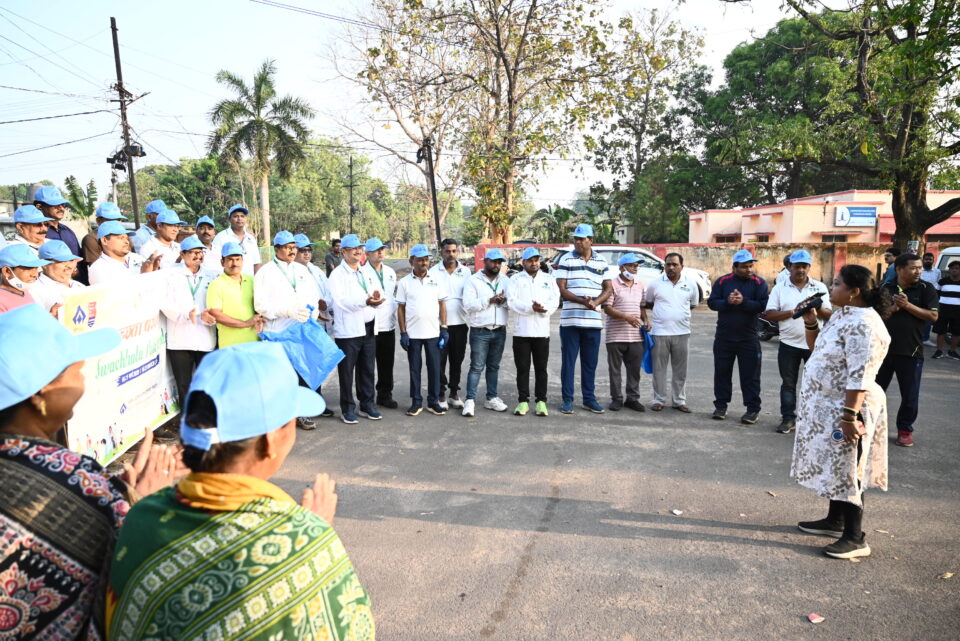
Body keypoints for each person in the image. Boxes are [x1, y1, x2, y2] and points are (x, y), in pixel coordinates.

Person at [106, 342, 375, 641]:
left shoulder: (139, 516)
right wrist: (313, 547)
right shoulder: (303, 542)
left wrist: (138, 501)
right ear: (270, 440)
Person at [0, 304, 180, 640]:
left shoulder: (86, 483)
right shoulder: (81, 482)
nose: (83, 381)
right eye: (78, 371)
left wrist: (114, 493)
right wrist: (142, 505)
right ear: (40, 392)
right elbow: (133, 574)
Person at [791, 264, 893, 559]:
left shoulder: (865, 325)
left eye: (836, 284)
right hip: (830, 408)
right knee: (836, 465)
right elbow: (818, 350)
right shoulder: (842, 315)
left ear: (854, 292)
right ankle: (834, 521)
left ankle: (855, 537)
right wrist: (811, 322)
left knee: (850, 468)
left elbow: (860, 376)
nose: (830, 288)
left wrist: (849, 417)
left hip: (850, 409)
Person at [764, 249, 832, 434]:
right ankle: (788, 419)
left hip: (815, 345)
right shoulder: (780, 288)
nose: (801, 270)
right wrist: (793, 312)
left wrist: (817, 308)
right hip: (788, 344)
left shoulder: (819, 287)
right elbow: (770, 314)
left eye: (804, 266)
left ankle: (813, 420)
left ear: (809, 267)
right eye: (797, 267)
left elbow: (829, 315)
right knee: (788, 384)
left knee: (816, 384)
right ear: (789, 267)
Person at [876, 253, 939, 447]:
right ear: (899, 269)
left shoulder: (926, 289)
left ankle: (905, 429)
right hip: (882, 351)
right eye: (913, 268)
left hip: (911, 351)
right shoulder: (886, 288)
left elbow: (933, 316)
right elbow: (875, 316)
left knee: (910, 395)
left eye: (919, 268)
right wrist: (894, 308)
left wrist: (907, 305)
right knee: (875, 391)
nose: (918, 271)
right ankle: (871, 425)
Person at [554, 223, 612, 414]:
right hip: (570, 321)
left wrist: (595, 302)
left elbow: (608, 289)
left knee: (589, 364)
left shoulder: (601, 261)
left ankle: (589, 399)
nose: (578, 242)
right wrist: (582, 301)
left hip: (593, 322)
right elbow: (562, 289)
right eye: (576, 239)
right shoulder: (566, 259)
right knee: (569, 363)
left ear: (591, 240)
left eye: (582, 239)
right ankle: (567, 399)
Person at [328, 234, 384, 424]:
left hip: (368, 327)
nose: (358, 251)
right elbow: (341, 301)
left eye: (360, 248)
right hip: (348, 331)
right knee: (347, 372)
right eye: (354, 248)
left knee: (367, 369)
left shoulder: (365, 271)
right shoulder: (337, 275)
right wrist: (365, 301)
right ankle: (347, 408)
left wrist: (377, 298)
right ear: (344, 251)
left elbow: (377, 290)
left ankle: (367, 405)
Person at [708, 249, 769, 423]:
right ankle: (721, 406)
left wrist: (744, 302)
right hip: (724, 338)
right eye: (744, 267)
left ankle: (752, 409)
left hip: (748, 338)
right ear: (734, 267)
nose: (749, 270)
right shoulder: (723, 281)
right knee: (722, 373)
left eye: (750, 266)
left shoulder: (759, 283)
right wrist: (727, 302)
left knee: (751, 376)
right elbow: (712, 303)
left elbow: (763, 305)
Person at [161, 236, 218, 409]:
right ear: (182, 254)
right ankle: (187, 418)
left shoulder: (212, 275)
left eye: (200, 252)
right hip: (180, 338)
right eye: (193, 252)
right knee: (184, 384)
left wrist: (211, 315)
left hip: (205, 336)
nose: (197, 256)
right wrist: (186, 315)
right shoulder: (171, 274)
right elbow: (164, 303)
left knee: (206, 381)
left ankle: (205, 416)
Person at [396, 244, 448, 416]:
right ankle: (416, 402)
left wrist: (444, 328)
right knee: (414, 369)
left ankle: (433, 402)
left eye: (426, 259)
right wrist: (403, 332)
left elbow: (442, 305)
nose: (424, 263)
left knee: (434, 369)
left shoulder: (437, 280)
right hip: (413, 334)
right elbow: (401, 308)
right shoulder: (404, 282)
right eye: (419, 260)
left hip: (433, 333)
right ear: (411, 261)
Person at [507, 246, 559, 417]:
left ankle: (541, 402)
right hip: (522, 332)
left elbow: (555, 299)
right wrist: (531, 308)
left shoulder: (548, 279)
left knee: (541, 369)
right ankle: (523, 401)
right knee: (522, 369)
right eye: (530, 260)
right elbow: (511, 301)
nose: (534, 263)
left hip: (542, 332)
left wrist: (544, 309)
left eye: (536, 260)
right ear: (523, 262)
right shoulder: (515, 279)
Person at [645, 252, 699, 413]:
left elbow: (692, 304)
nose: (671, 267)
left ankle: (679, 400)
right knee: (659, 369)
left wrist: (677, 314)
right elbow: (649, 303)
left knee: (680, 370)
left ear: (682, 266)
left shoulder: (690, 284)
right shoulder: (655, 284)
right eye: (668, 264)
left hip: (682, 332)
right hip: (659, 333)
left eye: (675, 264)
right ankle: (658, 399)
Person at [461, 248, 510, 417]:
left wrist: (502, 301)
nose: (496, 265)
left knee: (494, 366)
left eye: (499, 262)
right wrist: (489, 300)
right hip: (480, 330)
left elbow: (511, 303)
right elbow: (468, 305)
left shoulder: (505, 280)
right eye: (493, 261)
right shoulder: (473, 280)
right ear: (485, 261)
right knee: (476, 367)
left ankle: (491, 398)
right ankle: (470, 400)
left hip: (499, 330)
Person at [603, 253, 650, 412]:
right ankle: (616, 399)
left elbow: (641, 306)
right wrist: (626, 317)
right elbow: (607, 308)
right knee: (615, 370)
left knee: (634, 370)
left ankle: (632, 399)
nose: (635, 268)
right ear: (621, 267)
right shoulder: (612, 284)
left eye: (637, 266)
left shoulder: (639, 285)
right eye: (631, 265)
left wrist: (646, 320)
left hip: (635, 336)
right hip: (615, 336)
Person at [429, 238, 471, 410]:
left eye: (454, 251)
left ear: (457, 252)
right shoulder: (433, 272)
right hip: (439, 325)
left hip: (460, 324)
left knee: (457, 360)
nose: (451, 254)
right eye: (447, 251)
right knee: (439, 361)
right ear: (441, 252)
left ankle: (454, 393)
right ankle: (441, 393)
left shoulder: (466, 272)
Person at [254, 230, 323, 334]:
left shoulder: (302, 269)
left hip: (303, 329)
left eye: (294, 247)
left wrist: (314, 312)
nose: (292, 251)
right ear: (276, 249)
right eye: (287, 247)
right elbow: (260, 306)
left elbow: (313, 295)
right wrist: (286, 311)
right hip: (277, 331)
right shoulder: (265, 272)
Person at [362, 237, 400, 409]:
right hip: (371, 325)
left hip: (388, 325)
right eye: (376, 250)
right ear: (367, 253)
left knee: (387, 363)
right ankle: (367, 398)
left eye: (382, 249)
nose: (380, 252)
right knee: (368, 365)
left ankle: (385, 395)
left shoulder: (390, 272)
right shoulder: (362, 273)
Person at [205, 242, 264, 347]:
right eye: (230, 260)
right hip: (230, 346)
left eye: (237, 259)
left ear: (242, 261)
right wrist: (245, 324)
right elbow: (216, 314)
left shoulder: (252, 280)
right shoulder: (216, 284)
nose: (234, 263)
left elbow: (262, 305)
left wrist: (260, 318)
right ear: (222, 262)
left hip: (255, 342)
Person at [35, 185, 85, 284]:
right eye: (55, 204)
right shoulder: (38, 234)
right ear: (39, 207)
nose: (61, 208)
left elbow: (79, 260)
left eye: (62, 204)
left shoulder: (68, 231)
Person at [88, 221, 159, 285]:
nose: (127, 242)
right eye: (121, 238)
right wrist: (144, 275)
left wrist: (154, 270)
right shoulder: (98, 269)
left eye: (127, 238)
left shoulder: (135, 257)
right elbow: (118, 294)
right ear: (104, 240)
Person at [31, 240, 86, 316]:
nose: (70, 266)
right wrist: (50, 318)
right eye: (62, 261)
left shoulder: (79, 286)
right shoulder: (34, 291)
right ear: (45, 264)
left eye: (71, 260)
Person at [293, 233, 333, 325]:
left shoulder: (316, 269)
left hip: (325, 316)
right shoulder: (291, 272)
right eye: (302, 250)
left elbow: (328, 289)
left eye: (309, 250)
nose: (307, 253)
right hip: (306, 318)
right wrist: (316, 305)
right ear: (294, 251)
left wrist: (326, 303)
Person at [211, 204, 261, 275]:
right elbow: (215, 262)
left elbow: (256, 263)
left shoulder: (251, 238)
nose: (239, 219)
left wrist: (257, 279)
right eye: (235, 216)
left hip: (249, 280)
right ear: (229, 219)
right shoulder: (221, 237)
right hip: (228, 280)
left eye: (242, 216)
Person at [0, 243, 47, 313]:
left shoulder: (26, 293)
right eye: (28, 268)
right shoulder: (2, 301)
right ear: (7, 271)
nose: (35, 274)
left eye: (36, 268)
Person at [81, 202, 127, 269]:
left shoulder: (124, 235)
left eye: (118, 219)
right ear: (98, 221)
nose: (115, 223)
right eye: (110, 220)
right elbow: (96, 268)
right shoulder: (91, 239)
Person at [932, 260, 960, 360]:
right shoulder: (942, 282)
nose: (954, 270)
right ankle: (939, 351)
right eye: (952, 268)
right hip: (943, 309)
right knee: (941, 331)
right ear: (949, 270)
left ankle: (952, 351)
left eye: (957, 268)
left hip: (958, 311)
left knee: (956, 332)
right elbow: (935, 295)